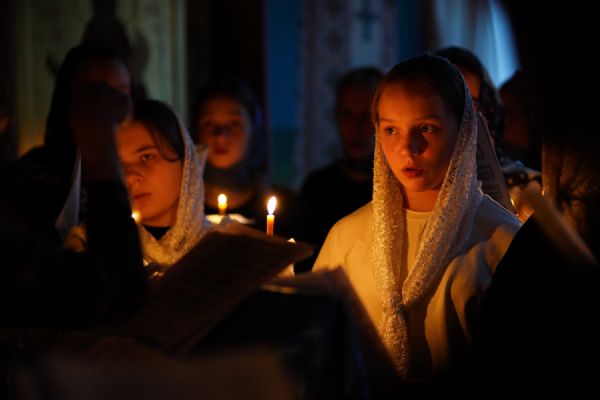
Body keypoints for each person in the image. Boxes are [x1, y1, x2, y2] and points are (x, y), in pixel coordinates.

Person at [313, 53, 521, 381]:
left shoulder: (505, 241)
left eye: (426, 128)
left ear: (463, 130)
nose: (408, 148)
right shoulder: (345, 238)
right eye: (391, 130)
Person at [0, 81, 145, 328]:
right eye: (89, 96)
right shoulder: (28, 187)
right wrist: (99, 145)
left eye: (118, 91)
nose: (102, 103)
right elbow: (110, 291)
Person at [0, 43, 133, 245]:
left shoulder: (139, 171)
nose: (107, 104)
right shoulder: (29, 177)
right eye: (93, 92)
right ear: (68, 96)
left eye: (120, 93)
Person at [67, 99, 210, 269]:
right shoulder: (86, 249)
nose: (129, 176)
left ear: (186, 163)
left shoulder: (221, 249)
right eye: (118, 163)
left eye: (146, 157)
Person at [298, 67, 383, 271]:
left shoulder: (398, 189)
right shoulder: (317, 188)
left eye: (366, 116)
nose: (356, 127)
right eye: (348, 115)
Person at [194, 79, 300, 240]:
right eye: (209, 123)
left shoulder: (287, 209)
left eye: (234, 123)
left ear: (254, 130)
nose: (221, 135)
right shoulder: (178, 212)